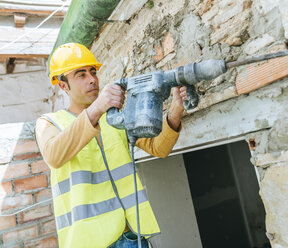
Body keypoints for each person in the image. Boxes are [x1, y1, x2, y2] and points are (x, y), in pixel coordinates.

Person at [35, 43, 187, 248]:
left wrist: (175, 113)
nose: (92, 79)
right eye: (80, 75)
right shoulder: (50, 123)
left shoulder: (113, 118)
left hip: (133, 235)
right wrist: (97, 108)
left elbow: (158, 148)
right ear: (63, 86)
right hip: (90, 242)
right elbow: (54, 155)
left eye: (93, 72)